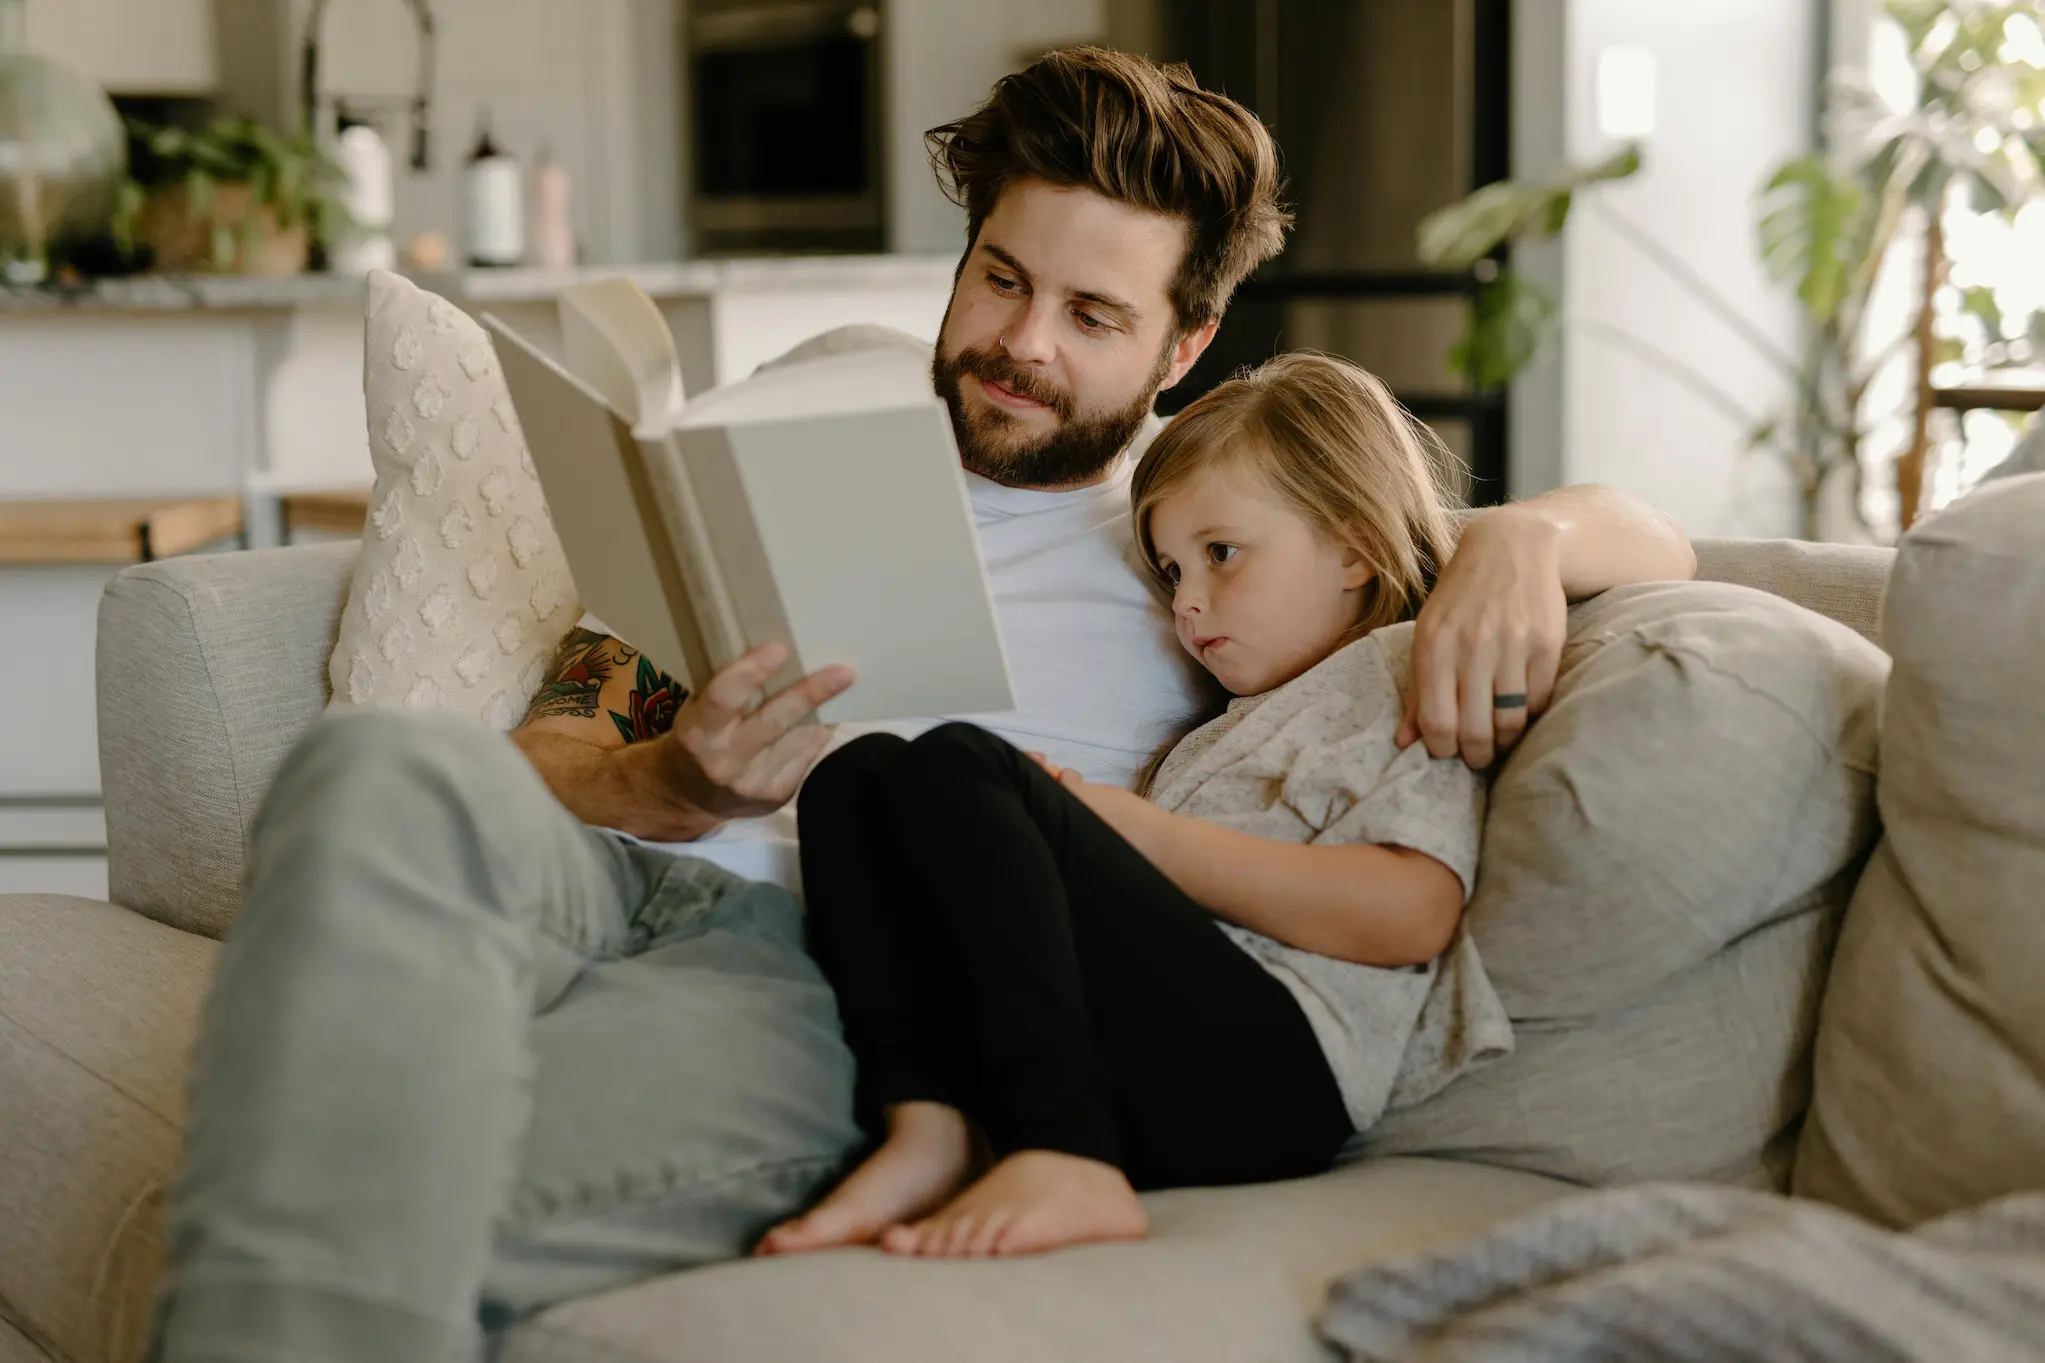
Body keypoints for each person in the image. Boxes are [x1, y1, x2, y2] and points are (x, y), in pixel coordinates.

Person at [147, 47, 1696, 1363]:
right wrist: (668, 781)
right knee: (370, 767)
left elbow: (1634, 542)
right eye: (1004, 279)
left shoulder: (1208, 542)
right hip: (597, 870)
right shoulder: (806, 429)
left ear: (1186, 342)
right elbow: (557, 744)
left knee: (385, 1200)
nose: (1023, 343)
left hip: (822, 967)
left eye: (1094, 316)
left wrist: (1523, 539)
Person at [758, 353, 1503, 1260]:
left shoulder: (1401, 668)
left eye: (1220, 555)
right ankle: (929, 1125)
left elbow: (1412, 913)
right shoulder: (1218, 725)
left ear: (1352, 544)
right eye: (1170, 570)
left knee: (962, 762)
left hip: (1278, 1073)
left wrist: (1130, 827)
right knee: (858, 772)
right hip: (1160, 1055)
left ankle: (1063, 1149)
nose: (1188, 603)